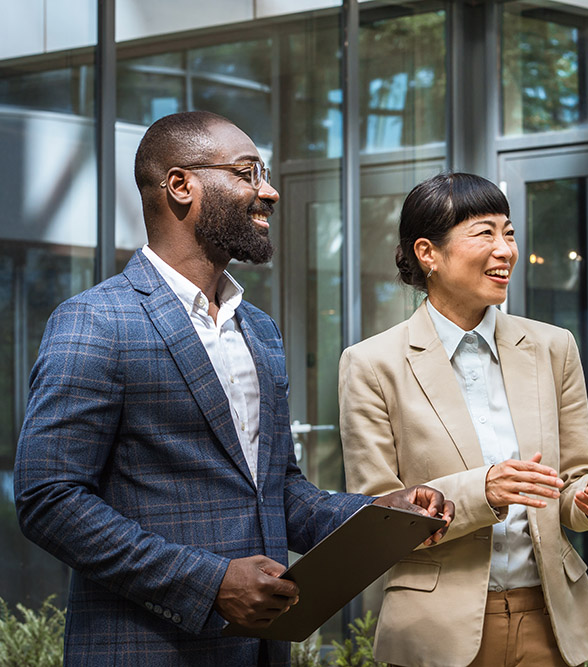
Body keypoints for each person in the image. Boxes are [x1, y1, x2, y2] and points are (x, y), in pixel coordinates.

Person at [13, 111, 454, 667]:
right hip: (146, 651)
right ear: (181, 185)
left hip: (262, 652)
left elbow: (277, 492)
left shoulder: (259, 329)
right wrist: (210, 582)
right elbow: (48, 499)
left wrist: (377, 514)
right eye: (247, 173)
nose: (266, 191)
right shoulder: (95, 321)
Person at [339, 172, 588, 667]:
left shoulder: (553, 348)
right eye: (484, 233)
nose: (505, 249)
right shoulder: (371, 364)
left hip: (550, 619)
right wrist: (483, 491)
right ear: (428, 253)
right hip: (437, 629)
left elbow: (570, 486)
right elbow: (377, 517)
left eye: (508, 232)